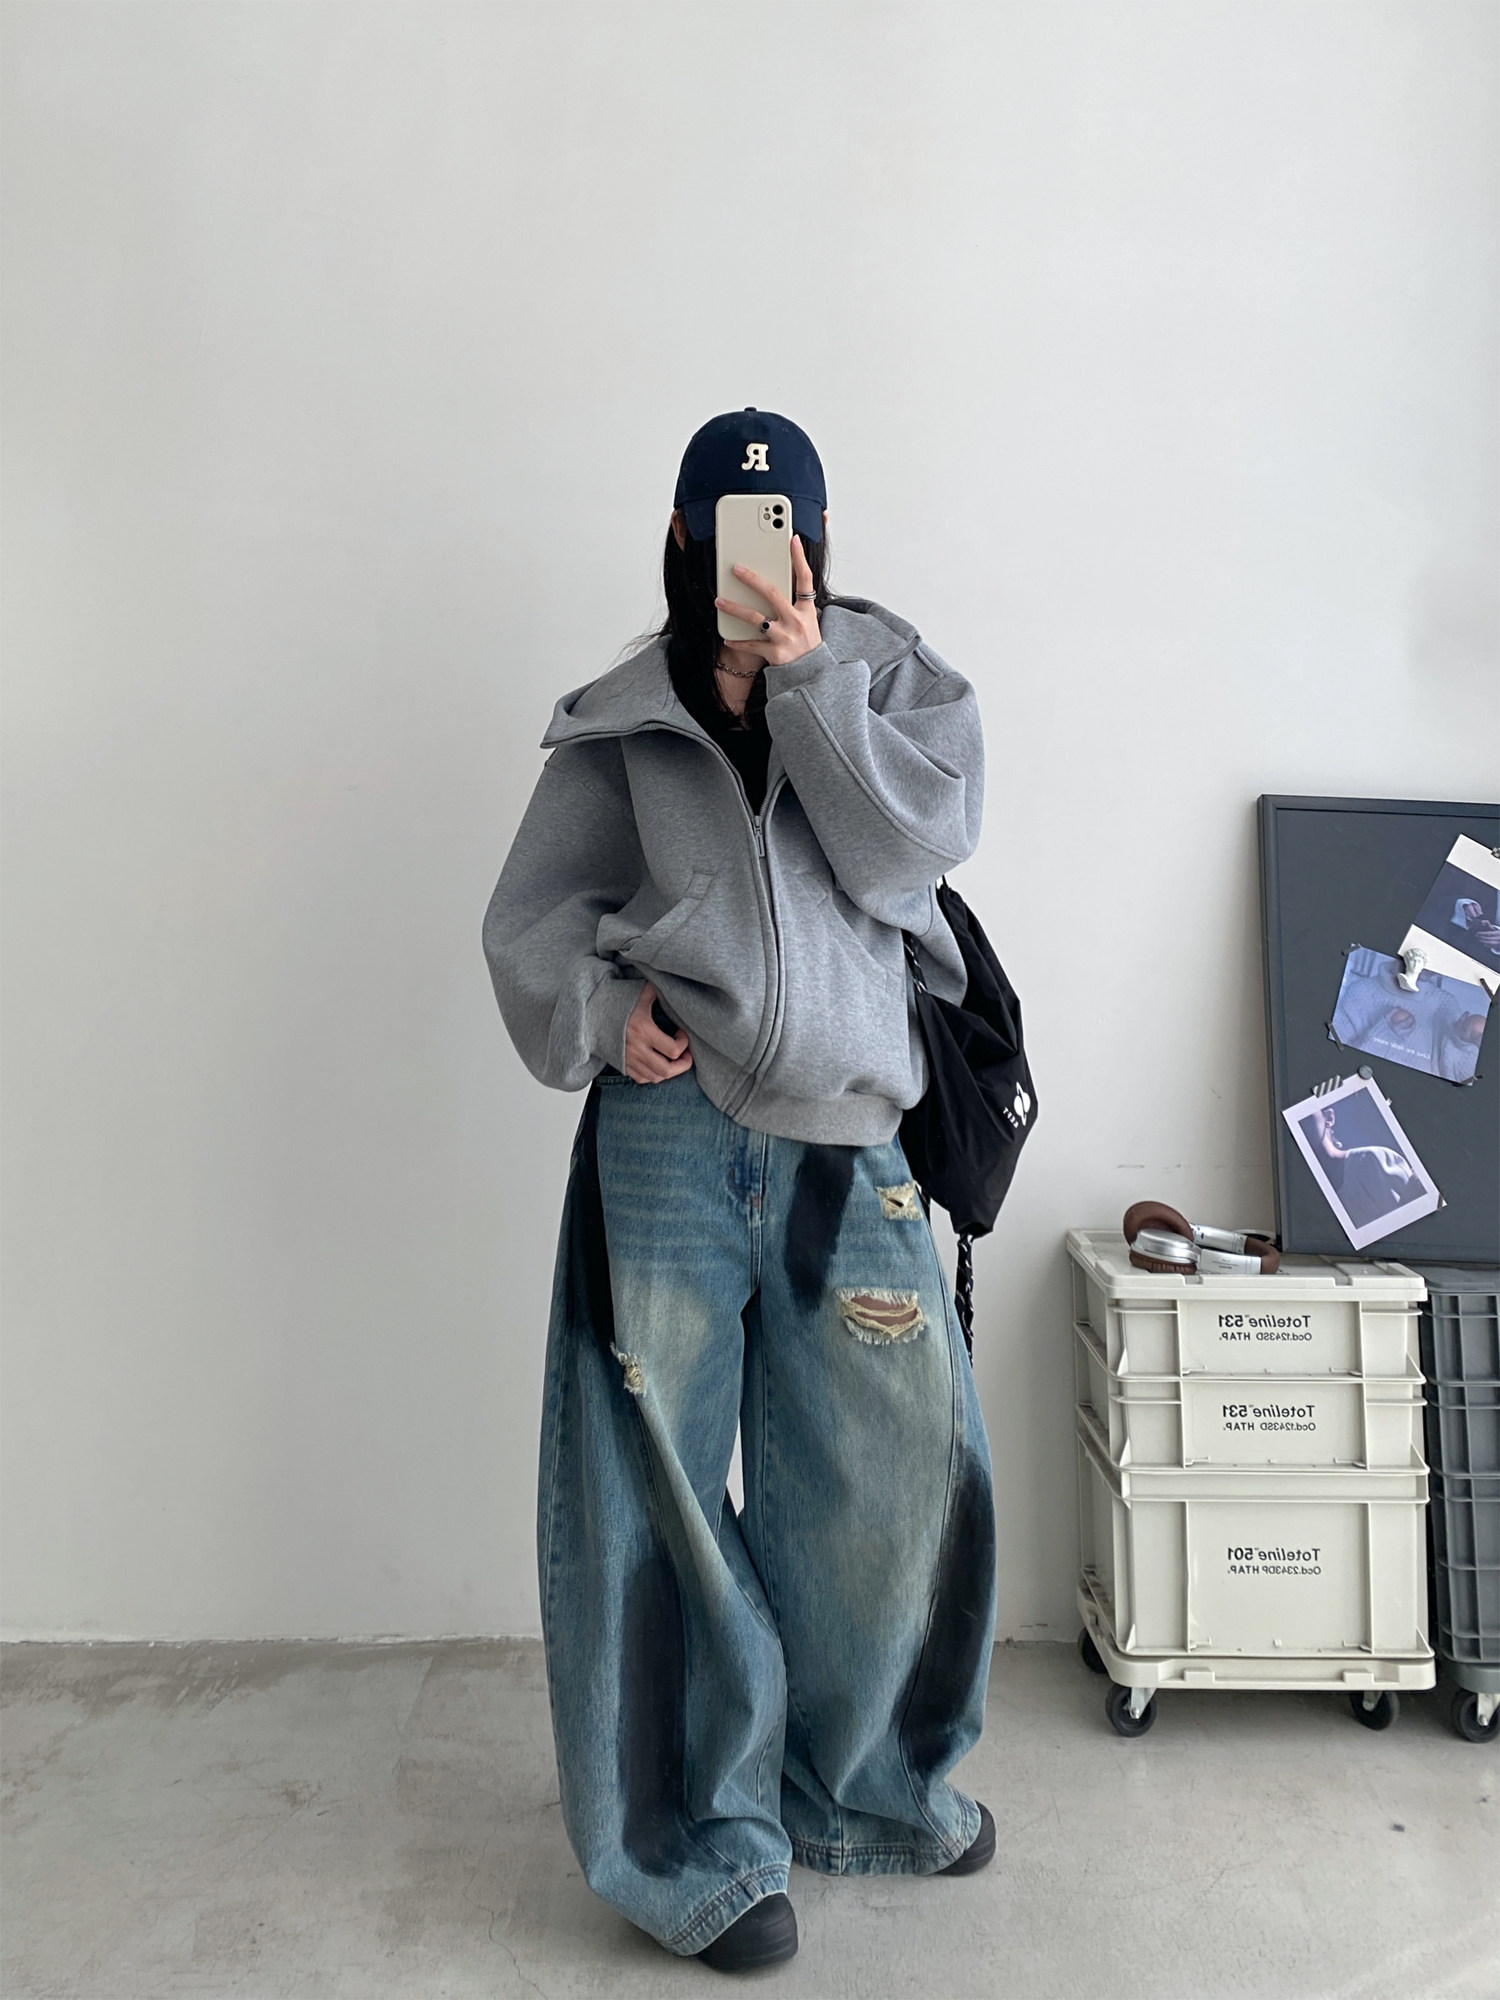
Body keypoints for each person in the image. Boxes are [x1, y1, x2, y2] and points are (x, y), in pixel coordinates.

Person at [482, 409, 996, 1974]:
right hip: (667, 1136)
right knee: (647, 1494)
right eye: (731, 537)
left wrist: (809, 683)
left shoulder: (895, 685)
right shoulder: (624, 724)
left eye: (790, 538)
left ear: (821, 547)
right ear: (684, 541)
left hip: (855, 1144)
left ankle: (868, 1790)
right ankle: (700, 1852)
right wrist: (601, 1009)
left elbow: (915, 852)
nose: (763, 563)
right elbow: (531, 917)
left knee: (896, 1482)